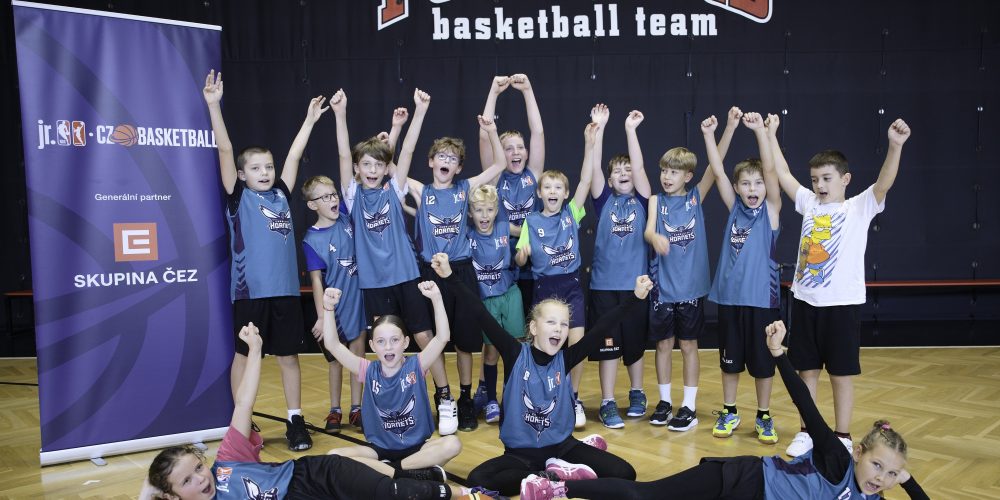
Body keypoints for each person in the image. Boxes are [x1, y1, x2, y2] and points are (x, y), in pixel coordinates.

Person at [519, 320, 930, 500]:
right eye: (878, 465)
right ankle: (558, 486)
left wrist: (905, 479)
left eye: (890, 474)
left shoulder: (871, 497)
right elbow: (805, 404)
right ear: (858, 452)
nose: (881, 478)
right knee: (646, 496)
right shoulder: (836, 458)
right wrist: (779, 355)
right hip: (741, 480)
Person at [140, 323, 498, 500]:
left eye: (197, 467)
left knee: (389, 493)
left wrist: (256, 350)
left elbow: (244, 403)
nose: (201, 479)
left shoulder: (227, 462)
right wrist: (157, 489)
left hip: (312, 475)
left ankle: (464, 494)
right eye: (187, 482)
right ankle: (425, 476)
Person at [437, 251, 649, 497]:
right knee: (478, 479)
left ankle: (556, 476)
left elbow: (602, 328)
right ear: (534, 328)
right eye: (551, 322)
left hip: (563, 447)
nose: (558, 329)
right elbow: (480, 312)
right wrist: (449, 276)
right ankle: (552, 476)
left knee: (625, 473)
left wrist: (635, 297)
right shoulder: (515, 353)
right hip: (520, 455)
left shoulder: (566, 358)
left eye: (564, 324)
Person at [771, 116, 912, 457]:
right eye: (815, 179)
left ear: (845, 179)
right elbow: (783, 173)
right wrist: (771, 134)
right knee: (807, 371)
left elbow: (884, 183)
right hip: (806, 302)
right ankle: (807, 431)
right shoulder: (809, 203)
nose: (819, 185)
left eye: (826, 178)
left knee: (840, 374)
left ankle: (843, 436)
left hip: (842, 306)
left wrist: (895, 146)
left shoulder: (858, 207)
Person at [331, 88, 459, 435]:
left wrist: (420, 112)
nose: (372, 169)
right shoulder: (353, 194)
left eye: (378, 164)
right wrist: (340, 114)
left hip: (406, 275)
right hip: (374, 284)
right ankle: (391, 403)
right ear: (357, 169)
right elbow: (343, 153)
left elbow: (410, 150)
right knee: (386, 345)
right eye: (366, 164)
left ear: (386, 168)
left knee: (423, 336)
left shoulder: (393, 188)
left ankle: (445, 398)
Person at [202, 69, 319, 450]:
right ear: (241, 174)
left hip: (285, 292)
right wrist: (214, 106)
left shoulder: (282, 192)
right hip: (249, 294)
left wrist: (309, 121)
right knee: (244, 357)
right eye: (255, 168)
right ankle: (242, 422)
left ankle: (295, 420)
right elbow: (224, 149)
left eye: (268, 166)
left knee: (288, 357)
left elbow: (295, 155)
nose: (265, 172)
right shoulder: (238, 196)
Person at [406, 115, 509, 431]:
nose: (446, 161)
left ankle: (465, 398)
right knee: (433, 338)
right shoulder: (422, 191)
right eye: (442, 156)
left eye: (453, 159)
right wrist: (392, 138)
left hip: (461, 272)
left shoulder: (465, 188)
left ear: (459, 168)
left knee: (465, 341)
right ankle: (444, 395)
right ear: (431, 161)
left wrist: (492, 131)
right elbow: (394, 171)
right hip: (430, 272)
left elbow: (500, 164)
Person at [321, 270, 463, 473]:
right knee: (334, 456)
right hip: (379, 450)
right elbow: (333, 345)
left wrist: (436, 298)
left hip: (417, 448)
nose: (388, 347)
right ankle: (414, 472)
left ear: (405, 342)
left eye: (395, 340)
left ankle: (391, 471)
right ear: (372, 345)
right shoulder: (367, 370)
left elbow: (442, 337)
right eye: (381, 341)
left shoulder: (417, 365)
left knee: (452, 444)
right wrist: (328, 308)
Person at [702, 111, 783, 444]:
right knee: (730, 362)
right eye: (746, 183)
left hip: (762, 302)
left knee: (763, 364)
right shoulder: (734, 207)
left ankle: (763, 415)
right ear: (737, 188)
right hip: (730, 300)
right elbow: (717, 170)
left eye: (758, 183)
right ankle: (730, 410)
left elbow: (772, 171)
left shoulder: (771, 211)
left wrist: (761, 133)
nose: (753, 188)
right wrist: (713, 134)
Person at [514, 111, 599, 428]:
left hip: (571, 286)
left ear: (565, 193)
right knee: (545, 347)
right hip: (544, 288)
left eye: (558, 187)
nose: (552, 191)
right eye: (547, 187)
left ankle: (573, 397)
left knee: (577, 345)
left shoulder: (571, 213)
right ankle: (546, 398)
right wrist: (522, 255)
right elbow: (520, 259)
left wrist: (589, 143)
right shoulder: (531, 221)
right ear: (539, 193)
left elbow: (586, 180)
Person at [642, 114, 726, 432]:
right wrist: (654, 237)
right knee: (663, 345)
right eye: (664, 170)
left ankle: (688, 405)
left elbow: (715, 168)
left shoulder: (695, 197)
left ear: (688, 176)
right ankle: (665, 401)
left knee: (689, 345)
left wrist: (721, 131)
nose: (667, 176)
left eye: (674, 172)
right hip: (663, 288)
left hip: (690, 288)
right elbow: (648, 231)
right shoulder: (656, 200)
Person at [586, 108, 653, 429]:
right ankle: (608, 400)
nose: (625, 173)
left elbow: (639, 166)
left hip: (636, 287)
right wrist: (599, 128)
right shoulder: (602, 201)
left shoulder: (644, 201)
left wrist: (631, 130)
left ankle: (637, 392)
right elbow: (594, 167)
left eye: (628, 169)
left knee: (635, 345)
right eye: (618, 171)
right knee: (608, 347)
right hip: (603, 287)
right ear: (610, 180)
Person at [301, 175, 366, 433]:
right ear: (312, 205)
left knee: (358, 355)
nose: (332, 200)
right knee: (336, 360)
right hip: (335, 307)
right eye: (325, 197)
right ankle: (335, 409)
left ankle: (357, 408)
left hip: (357, 299)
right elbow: (317, 281)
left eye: (333, 195)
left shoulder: (346, 219)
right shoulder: (311, 240)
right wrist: (322, 316)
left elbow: (348, 175)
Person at [478, 74, 546, 318]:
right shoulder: (495, 177)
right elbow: (485, 136)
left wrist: (527, 90)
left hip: (533, 259)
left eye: (520, 147)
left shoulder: (533, 174)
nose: (515, 152)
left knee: (534, 319)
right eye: (508, 148)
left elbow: (537, 131)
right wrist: (494, 92)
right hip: (502, 261)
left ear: (526, 152)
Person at [468, 183, 526, 424]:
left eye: (490, 210)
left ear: (496, 211)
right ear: (470, 212)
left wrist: (524, 248)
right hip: (486, 301)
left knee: (515, 349)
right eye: (479, 210)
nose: (485, 215)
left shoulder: (503, 227)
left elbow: (527, 230)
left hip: (510, 295)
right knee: (491, 352)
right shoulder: (467, 235)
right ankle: (491, 399)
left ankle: (510, 398)